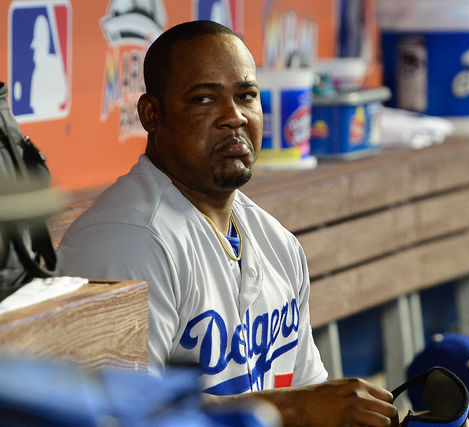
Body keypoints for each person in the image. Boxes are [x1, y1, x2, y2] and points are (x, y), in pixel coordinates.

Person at [58, 20, 397, 426]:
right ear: (151, 114)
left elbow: (311, 394)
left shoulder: (276, 242)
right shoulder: (125, 244)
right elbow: (116, 417)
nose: (234, 117)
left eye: (246, 96)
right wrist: (292, 409)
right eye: (204, 99)